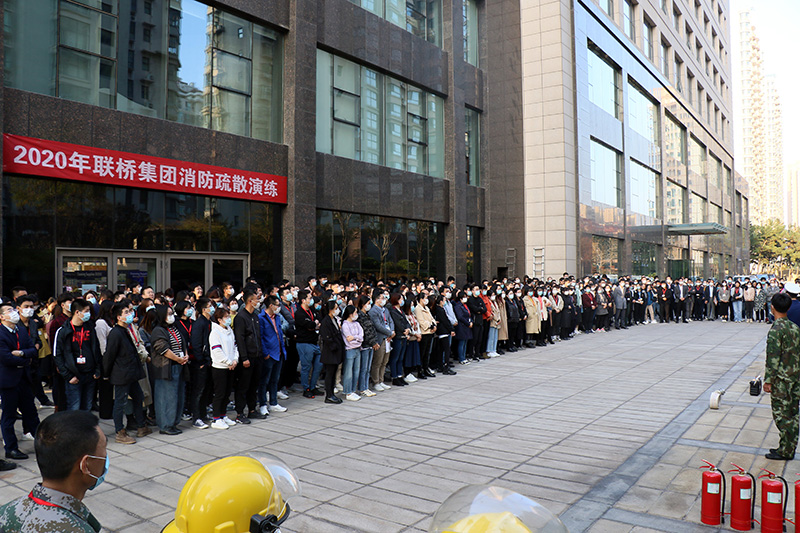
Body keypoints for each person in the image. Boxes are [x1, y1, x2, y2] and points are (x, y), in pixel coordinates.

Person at [0, 411, 105, 532]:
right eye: (104, 450)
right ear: (85, 465)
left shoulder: (8, 511)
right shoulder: (77, 529)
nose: (106, 458)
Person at [103, 303, 150, 444]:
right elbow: (109, 355)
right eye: (126, 312)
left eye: (129, 311)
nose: (130, 314)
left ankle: (141, 426)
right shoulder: (116, 333)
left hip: (132, 372)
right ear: (119, 317)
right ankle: (120, 432)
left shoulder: (127, 330)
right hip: (122, 373)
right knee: (120, 402)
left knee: (138, 397)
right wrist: (106, 373)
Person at [0, 302, 39, 465]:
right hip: (8, 381)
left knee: (31, 412)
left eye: (14, 309)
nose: (14, 312)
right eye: (10, 310)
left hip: (24, 379)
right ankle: (11, 448)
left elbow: (33, 349)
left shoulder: (21, 330)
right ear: (2, 317)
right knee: (8, 416)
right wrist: (25, 360)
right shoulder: (1, 334)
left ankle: (44, 443)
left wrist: (22, 353)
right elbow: (6, 357)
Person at [763, 292, 800, 461]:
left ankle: (786, 450)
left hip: (782, 380)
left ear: (772, 307)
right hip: (795, 378)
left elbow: (773, 358)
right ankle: (787, 447)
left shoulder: (776, 330)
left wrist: (768, 381)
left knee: (781, 415)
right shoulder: (794, 328)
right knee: (792, 413)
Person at [53, 299, 101, 411]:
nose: (88, 314)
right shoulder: (63, 331)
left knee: (87, 406)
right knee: (74, 406)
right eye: (86, 311)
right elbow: (57, 355)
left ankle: (85, 428)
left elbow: (96, 349)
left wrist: (97, 370)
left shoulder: (90, 327)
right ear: (77, 312)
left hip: (90, 373)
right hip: (74, 375)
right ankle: (73, 428)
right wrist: (68, 376)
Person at [150, 305, 188, 435]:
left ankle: (174, 423)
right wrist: (177, 359)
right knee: (166, 397)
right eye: (168, 314)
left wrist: (185, 355)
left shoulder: (174, 328)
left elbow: (182, 343)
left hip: (179, 365)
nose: (171, 316)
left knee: (178, 396)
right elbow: (163, 349)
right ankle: (166, 425)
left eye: (172, 313)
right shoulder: (158, 330)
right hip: (167, 367)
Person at [233, 290, 264, 423]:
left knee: (254, 384)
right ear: (250, 301)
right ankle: (240, 413)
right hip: (247, 356)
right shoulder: (241, 317)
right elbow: (240, 339)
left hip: (257, 355)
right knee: (243, 386)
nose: (258, 302)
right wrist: (244, 357)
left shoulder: (255, 317)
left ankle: (252, 409)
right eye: (257, 300)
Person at [209, 307, 238, 430]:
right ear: (219, 319)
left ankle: (223, 414)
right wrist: (228, 361)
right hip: (220, 367)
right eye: (225, 317)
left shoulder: (229, 330)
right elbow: (217, 350)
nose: (228, 319)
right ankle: (216, 418)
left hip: (231, 366)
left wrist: (235, 359)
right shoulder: (215, 332)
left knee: (227, 392)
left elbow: (235, 346)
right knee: (220, 393)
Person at [258, 295, 287, 413]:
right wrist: (265, 353)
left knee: (275, 379)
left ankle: (274, 402)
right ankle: (263, 404)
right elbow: (261, 337)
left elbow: (279, 333)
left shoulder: (278, 317)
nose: (278, 307)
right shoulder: (261, 317)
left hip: (279, 351)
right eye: (277, 305)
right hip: (269, 353)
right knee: (264, 380)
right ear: (271, 305)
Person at [189, 298, 213, 429]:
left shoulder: (209, 322)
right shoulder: (199, 323)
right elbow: (196, 343)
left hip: (208, 361)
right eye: (210, 306)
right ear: (204, 309)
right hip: (200, 363)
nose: (212, 308)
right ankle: (196, 417)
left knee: (206, 390)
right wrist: (201, 360)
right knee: (198, 390)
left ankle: (203, 414)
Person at [294, 290, 323, 399]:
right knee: (306, 367)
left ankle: (313, 386)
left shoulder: (312, 310)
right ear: (303, 300)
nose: (311, 300)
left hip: (314, 342)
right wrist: (314, 324)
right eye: (309, 298)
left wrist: (315, 324)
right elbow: (310, 324)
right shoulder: (299, 313)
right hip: (304, 343)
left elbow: (319, 320)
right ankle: (306, 388)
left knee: (318, 365)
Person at [319, 301, 345, 404]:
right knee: (329, 374)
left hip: (336, 351)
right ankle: (329, 395)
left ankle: (332, 394)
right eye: (335, 308)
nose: (337, 310)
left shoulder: (333, 319)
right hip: (330, 352)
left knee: (333, 373)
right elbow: (327, 337)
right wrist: (334, 346)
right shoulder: (326, 321)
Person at [368, 291, 395, 391]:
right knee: (377, 361)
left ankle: (381, 380)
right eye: (382, 298)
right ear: (377, 299)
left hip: (388, 337)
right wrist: (389, 333)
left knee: (384, 361)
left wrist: (392, 331)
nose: (384, 300)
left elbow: (391, 321)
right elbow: (378, 326)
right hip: (381, 337)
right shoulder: (373, 311)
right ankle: (376, 381)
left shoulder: (385, 310)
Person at [355, 295, 379, 396]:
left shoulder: (367, 315)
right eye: (368, 304)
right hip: (365, 344)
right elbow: (365, 331)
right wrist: (373, 342)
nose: (369, 306)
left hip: (370, 345)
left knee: (368, 367)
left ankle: (366, 387)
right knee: (364, 368)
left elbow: (372, 329)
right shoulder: (360, 316)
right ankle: (362, 388)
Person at [340, 305, 363, 401]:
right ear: (350, 314)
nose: (356, 314)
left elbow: (361, 336)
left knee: (356, 371)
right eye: (355, 313)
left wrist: (355, 338)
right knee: (348, 372)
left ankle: (353, 390)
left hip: (358, 348)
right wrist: (356, 338)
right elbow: (348, 339)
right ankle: (347, 391)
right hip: (350, 349)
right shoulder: (345, 325)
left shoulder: (357, 324)